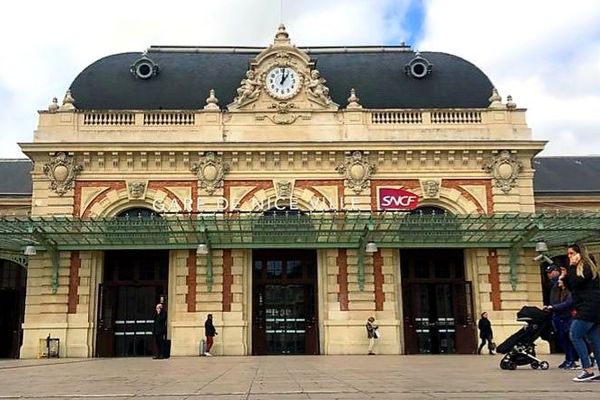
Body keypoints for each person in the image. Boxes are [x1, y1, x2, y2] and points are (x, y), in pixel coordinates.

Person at [560, 243, 600, 382]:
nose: (569, 256)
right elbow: (573, 287)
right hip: (591, 307)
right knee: (595, 340)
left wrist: (571, 267)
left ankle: (587, 370)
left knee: (575, 334)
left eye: (571, 253)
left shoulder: (587, 266)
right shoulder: (581, 268)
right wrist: (565, 276)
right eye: (568, 254)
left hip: (589, 307)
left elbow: (577, 282)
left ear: (579, 253)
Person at [544, 264, 577, 369]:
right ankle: (568, 359)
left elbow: (568, 303)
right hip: (558, 316)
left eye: (550, 272)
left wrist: (553, 307)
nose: (549, 275)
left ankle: (572, 360)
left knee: (569, 339)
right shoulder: (556, 287)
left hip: (566, 316)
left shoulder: (568, 291)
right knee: (562, 339)